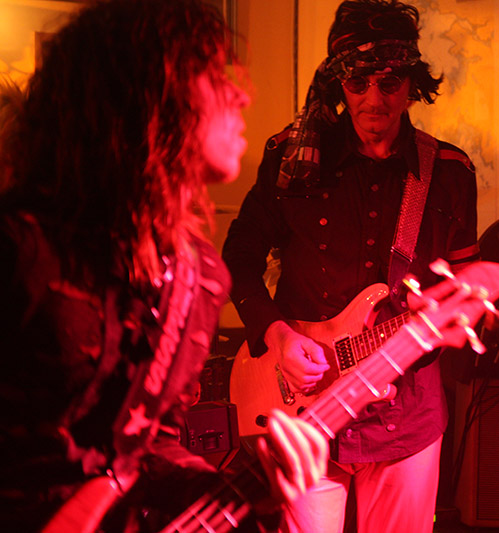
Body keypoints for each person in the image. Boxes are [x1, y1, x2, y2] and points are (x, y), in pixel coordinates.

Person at [0, 1, 327, 531]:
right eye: (212, 76)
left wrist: (251, 486)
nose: (242, 95)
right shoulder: (22, 247)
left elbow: (145, 448)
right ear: (143, 92)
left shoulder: (199, 278)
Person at [222, 0, 479, 531]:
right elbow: (239, 256)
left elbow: (469, 284)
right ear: (339, 83)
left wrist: (462, 320)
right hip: (300, 406)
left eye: (389, 83)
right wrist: (276, 335)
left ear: (411, 84)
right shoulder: (291, 158)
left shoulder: (450, 173)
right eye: (358, 83)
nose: (374, 100)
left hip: (406, 416)